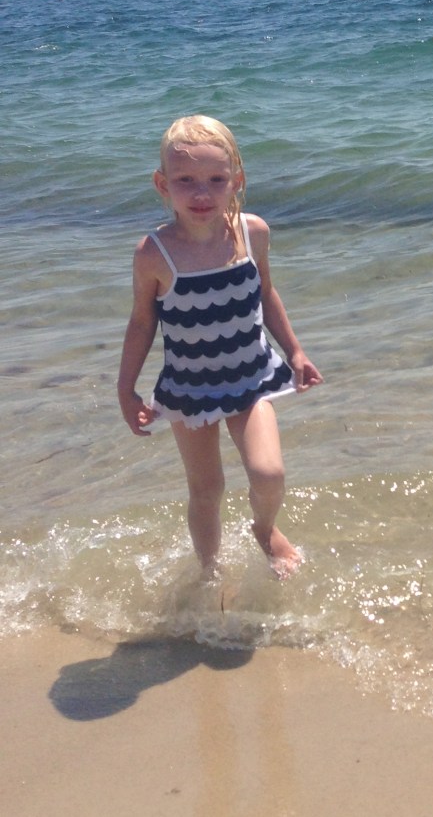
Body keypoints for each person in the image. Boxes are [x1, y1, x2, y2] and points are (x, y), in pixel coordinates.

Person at [117, 115, 322, 578]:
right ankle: (211, 574)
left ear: (237, 181)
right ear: (162, 184)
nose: (201, 193)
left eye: (215, 179)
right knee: (206, 490)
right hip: (188, 388)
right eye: (185, 180)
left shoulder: (253, 233)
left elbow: (266, 293)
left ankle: (264, 529)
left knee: (269, 474)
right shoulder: (154, 253)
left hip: (251, 377)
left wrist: (295, 351)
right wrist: (126, 390)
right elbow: (142, 322)